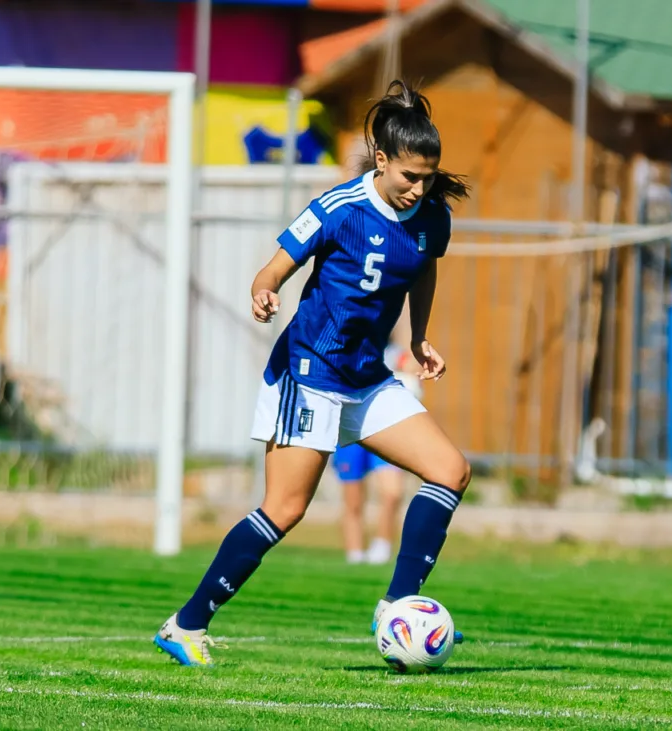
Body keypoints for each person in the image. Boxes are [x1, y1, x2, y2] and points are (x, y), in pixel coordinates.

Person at [154, 80, 471, 666]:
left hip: (366, 378)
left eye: (428, 178)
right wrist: (264, 291)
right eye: (410, 177)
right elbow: (273, 269)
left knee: (450, 471)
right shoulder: (339, 208)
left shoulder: (432, 216)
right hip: (310, 373)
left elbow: (424, 267)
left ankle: (397, 605)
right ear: (382, 160)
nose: (419, 189)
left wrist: (419, 335)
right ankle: (186, 624)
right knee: (285, 509)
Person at [336, 344, 422, 565]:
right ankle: (355, 556)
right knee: (353, 500)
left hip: (386, 429)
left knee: (393, 492)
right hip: (349, 427)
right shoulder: (344, 347)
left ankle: (381, 548)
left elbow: (412, 371)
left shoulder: (393, 353)